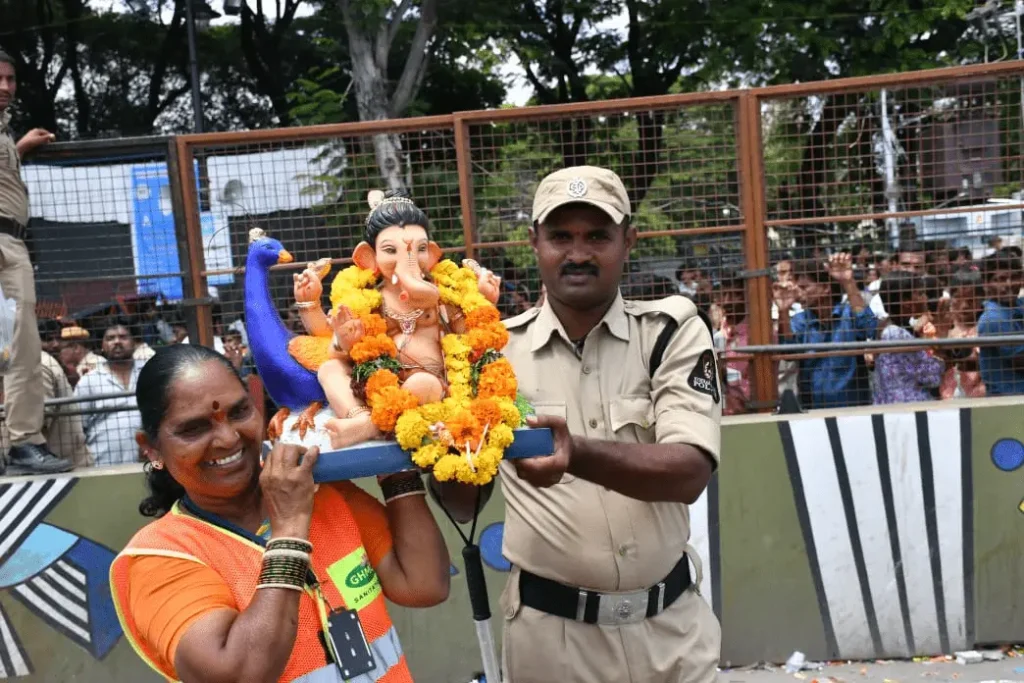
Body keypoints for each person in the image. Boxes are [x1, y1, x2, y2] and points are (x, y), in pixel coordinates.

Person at [434, 166, 722, 683]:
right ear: (534, 242)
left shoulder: (669, 331)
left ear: (629, 240)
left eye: (597, 236)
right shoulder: (490, 354)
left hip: (674, 638)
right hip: (552, 648)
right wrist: (439, 437)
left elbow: (689, 473)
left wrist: (576, 454)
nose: (578, 253)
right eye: (561, 236)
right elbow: (462, 504)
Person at [110, 344, 450, 683]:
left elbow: (423, 585)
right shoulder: (161, 556)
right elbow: (236, 675)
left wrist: (392, 458)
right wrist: (289, 527)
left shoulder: (318, 489)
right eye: (194, 429)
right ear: (151, 448)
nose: (228, 438)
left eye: (239, 412)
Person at [0, 49, 71, 475]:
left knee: (20, 347)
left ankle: (23, 442)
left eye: (10, 79)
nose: (5, 87)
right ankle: (21, 441)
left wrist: (19, 148)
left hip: (13, 243)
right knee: (14, 346)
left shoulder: (4, 131)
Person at [775, 255, 877, 409]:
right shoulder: (799, 321)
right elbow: (788, 351)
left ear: (825, 288)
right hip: (814, 410)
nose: (798, 293)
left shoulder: (848, 315)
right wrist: (783, 311)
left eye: (804, 287)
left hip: (854, 408)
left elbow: (869, 327)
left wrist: (848, 281)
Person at [871, 272, 945, 405]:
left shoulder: (893, 327)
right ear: (906, 302)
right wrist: (941, 333)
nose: (925, 298)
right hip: (907, 407)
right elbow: (931, 377)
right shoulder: (895, 334)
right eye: (920, 293)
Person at [976, 251, 1024, 395]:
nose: (1009, 284)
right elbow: (1020, 361)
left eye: (1014, 277)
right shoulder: (993, 318)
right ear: (986, 284)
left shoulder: (1016, 305)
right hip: (1009, 399)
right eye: (1001, 279)